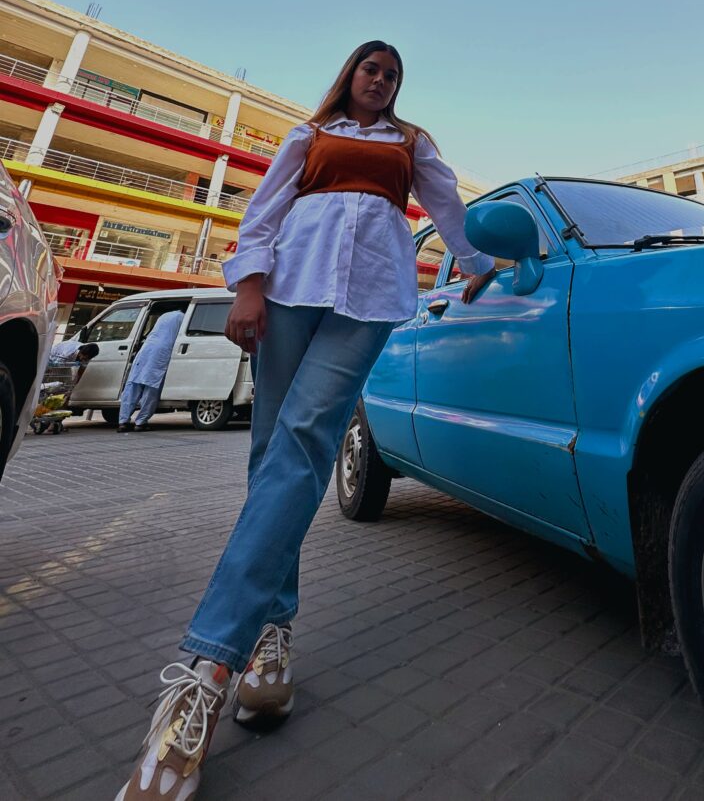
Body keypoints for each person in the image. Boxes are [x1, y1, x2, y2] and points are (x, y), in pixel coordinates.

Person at [116, 41, 496, 801]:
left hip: (372, 295)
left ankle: (207, 673)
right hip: (289, 288)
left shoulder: (412, 144)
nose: (380, 79)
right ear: (350, 74)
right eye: (370, 67)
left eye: (392, 72)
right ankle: (273, 635)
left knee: (302, 443)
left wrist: (480, 260)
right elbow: (266, 209)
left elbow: (450, 206)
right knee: (271, 459)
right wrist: (248, 286)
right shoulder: (309, 134)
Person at [117, 308, 186, 432]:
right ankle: (140, 422)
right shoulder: (183, 318)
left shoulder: (165, 314)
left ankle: (123, 422)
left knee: (132, 386)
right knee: (151, 389)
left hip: (146, 349)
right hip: (162, 351)